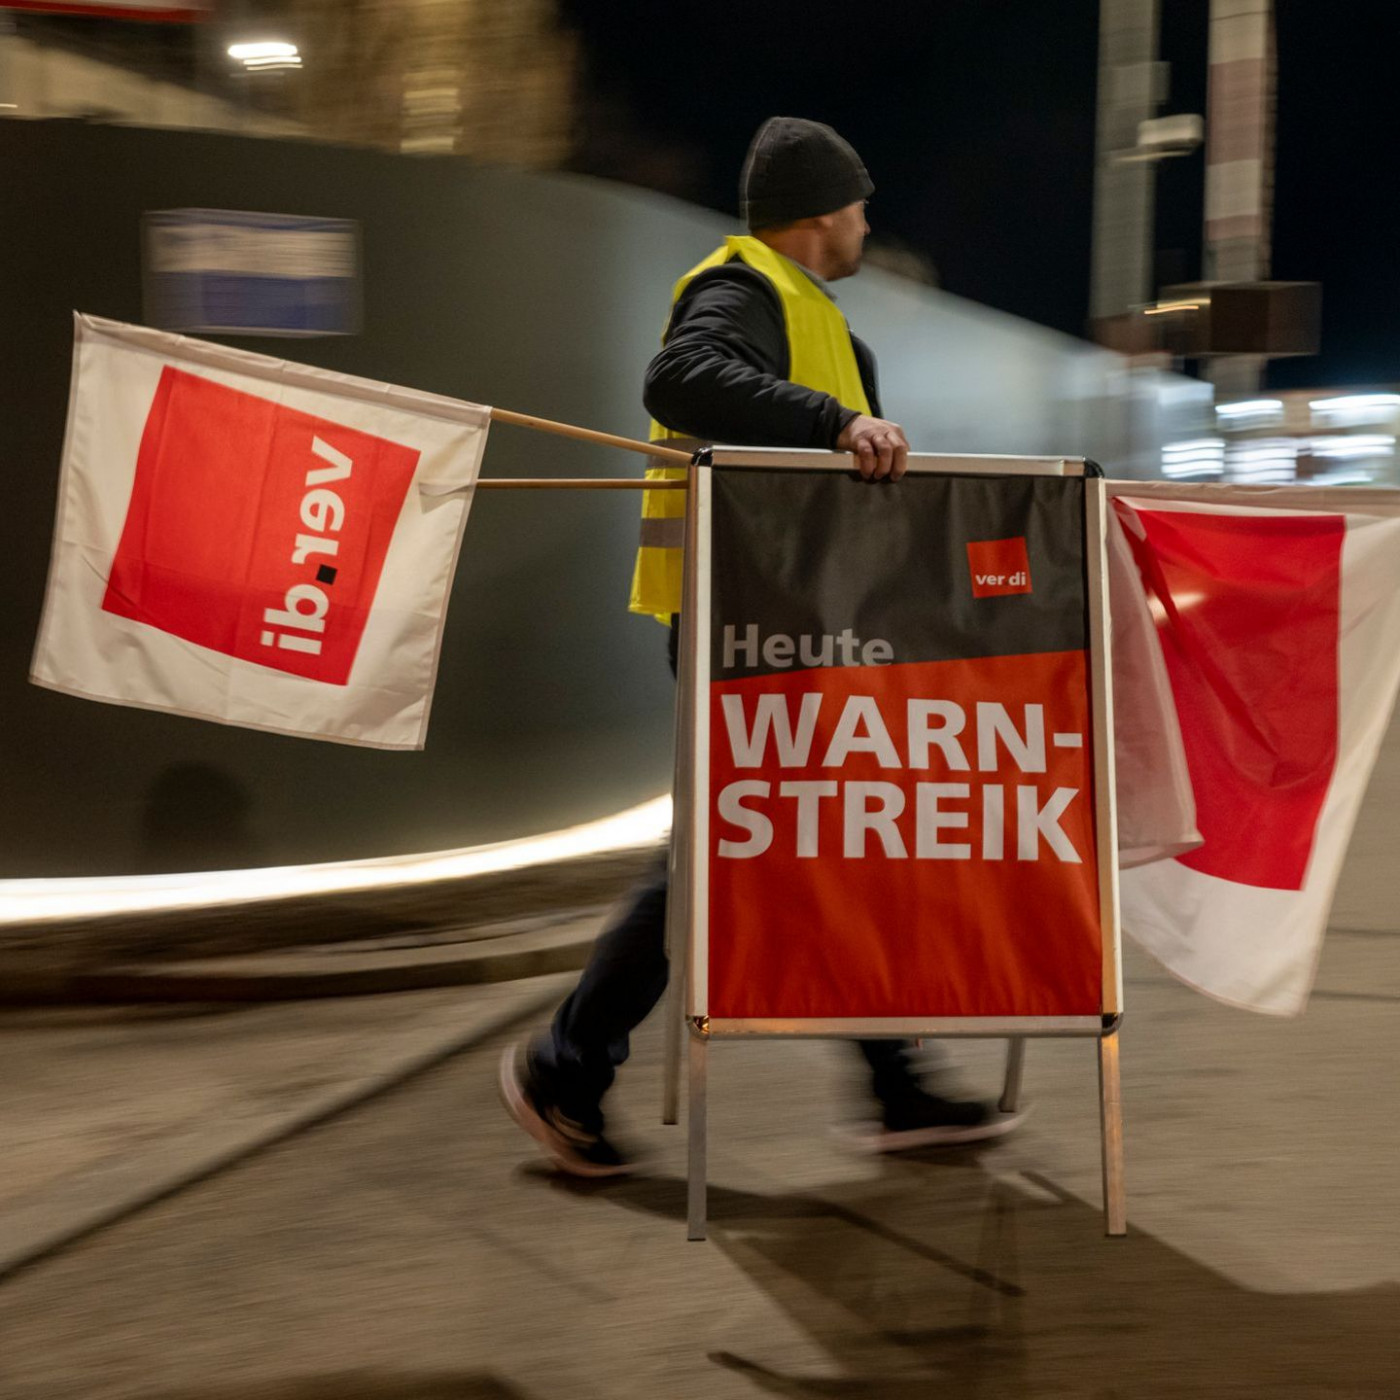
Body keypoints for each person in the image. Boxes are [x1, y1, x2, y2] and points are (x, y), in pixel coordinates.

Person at [502, 117, 1014, 1176]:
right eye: (859, 204)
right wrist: (836, 422)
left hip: (808, 629)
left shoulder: (825, 324)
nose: (866, 221)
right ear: (822, 210)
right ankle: (565, 1066)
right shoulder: (741, 287)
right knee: (719, 858)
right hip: (743, 629)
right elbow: (679, 378)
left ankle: (889, 1086)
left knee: (835, 844)